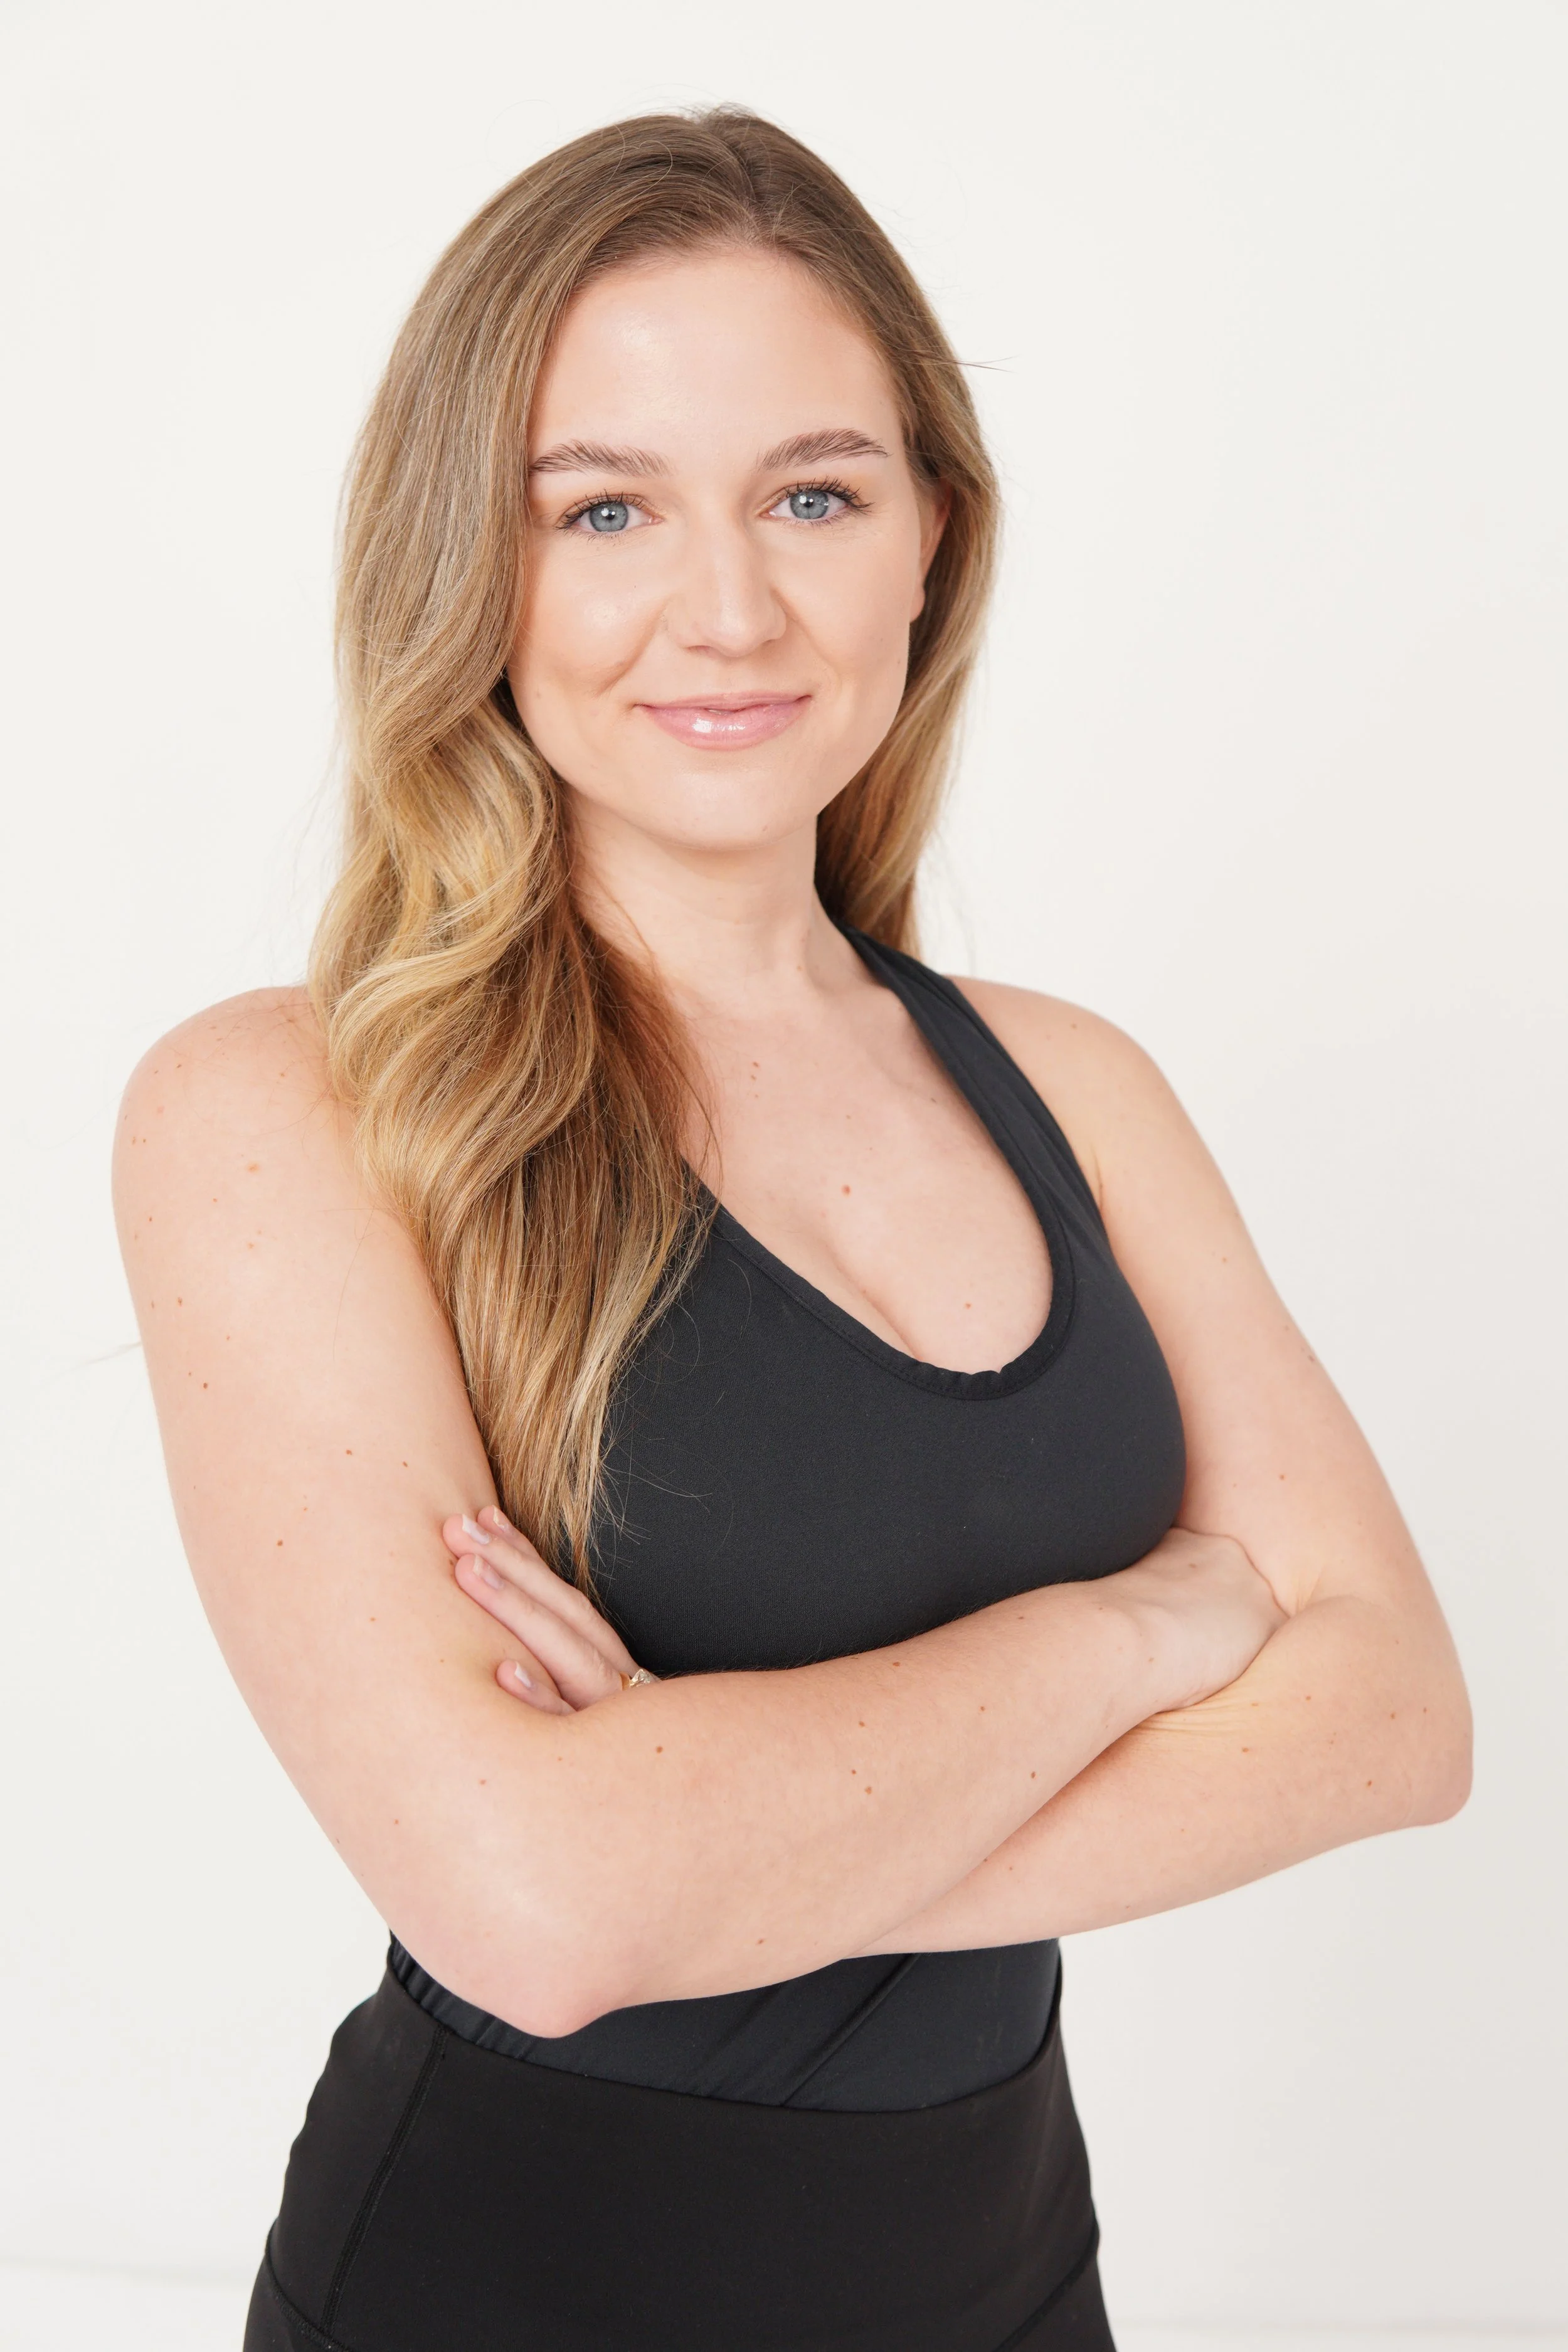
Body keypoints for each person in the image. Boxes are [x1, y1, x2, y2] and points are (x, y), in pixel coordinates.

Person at [114, 108, 1471, 2352]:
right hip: (507, 2288)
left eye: (814, 495)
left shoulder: (1071, 1085)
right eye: (604, 509)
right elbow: (535, 1911)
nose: (729, 608)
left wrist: (702, 1840)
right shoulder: (294, 1107)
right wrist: (1135, 1631)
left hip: (1012, 2275)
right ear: (469, 563)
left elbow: (1395, 1713)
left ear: (931, 534)